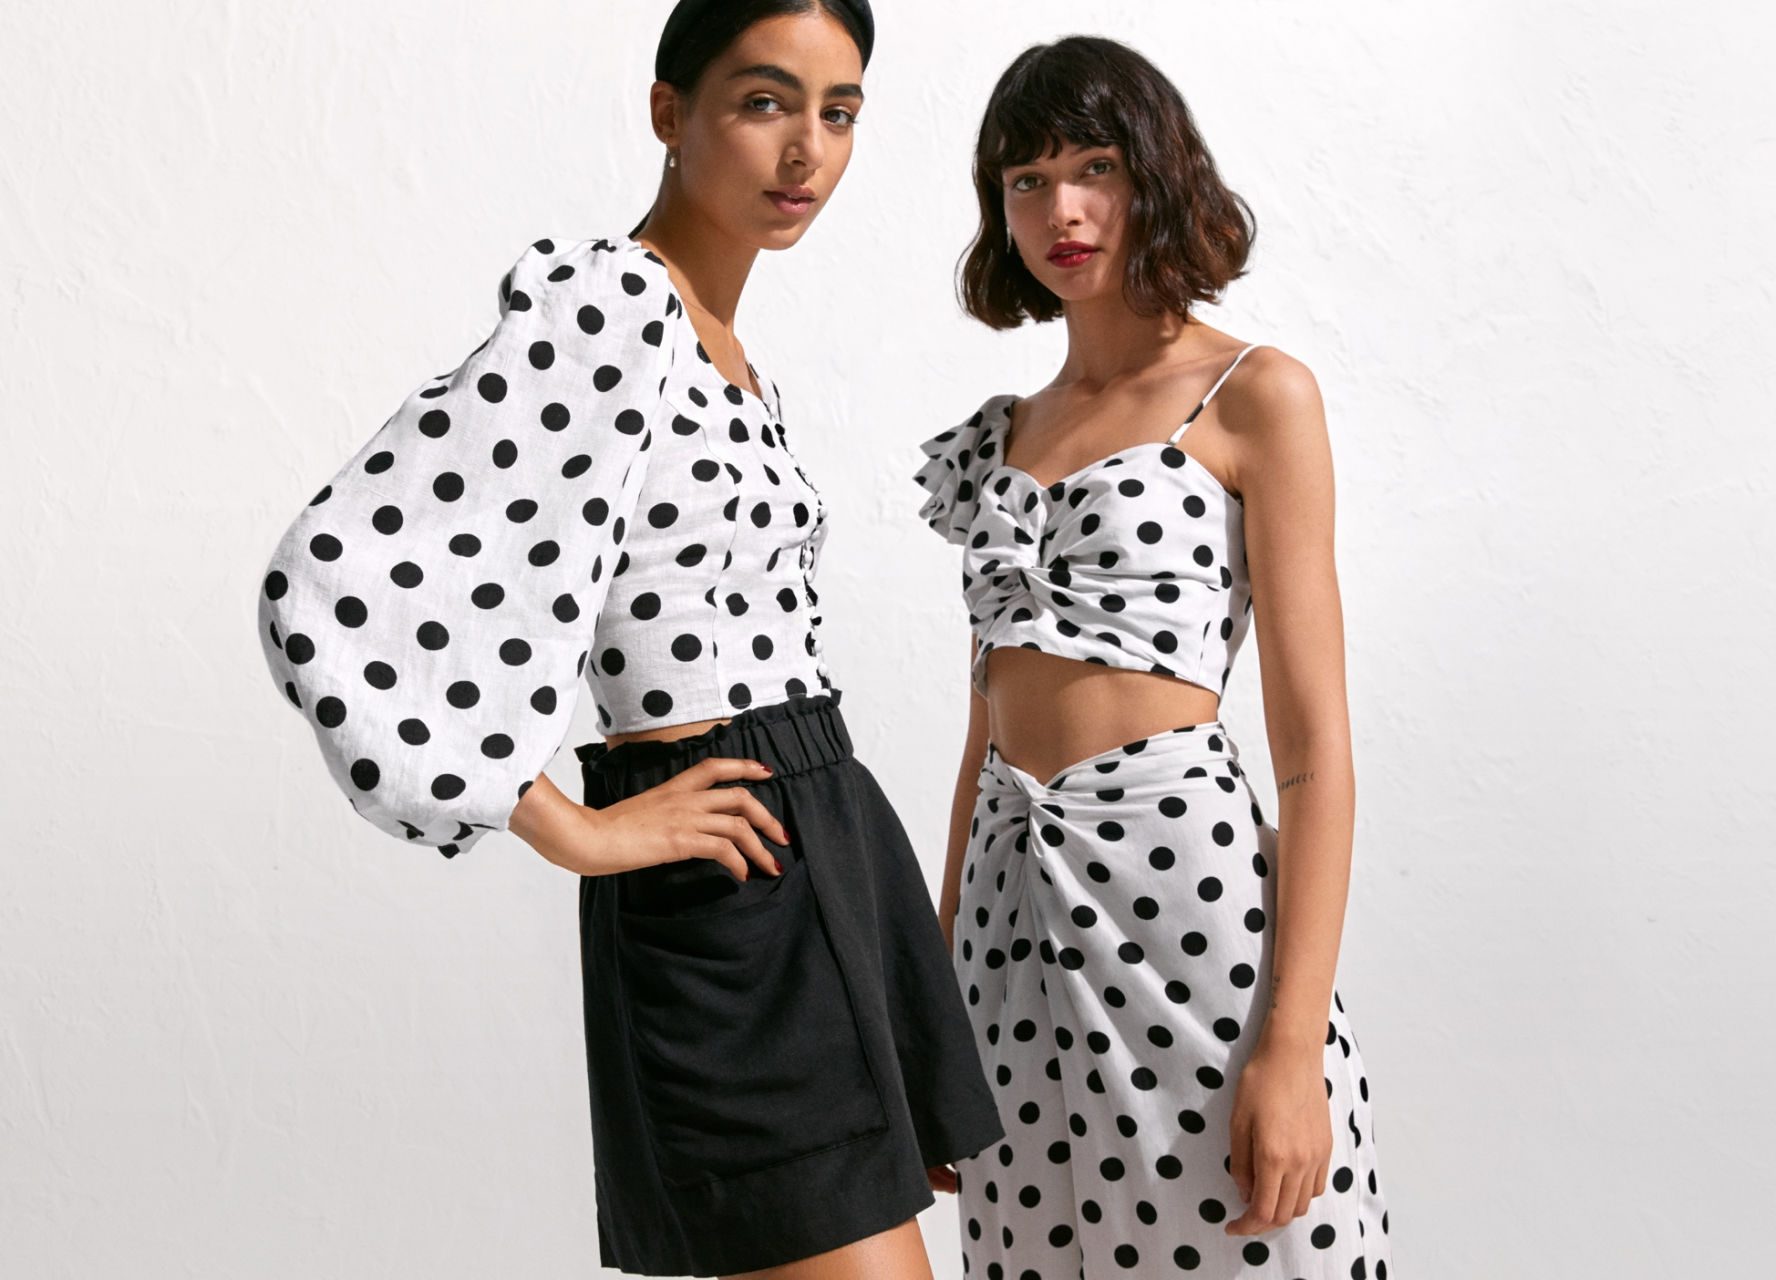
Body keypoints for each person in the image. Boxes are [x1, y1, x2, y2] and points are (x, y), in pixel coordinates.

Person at [256, 3, 1003, 1275]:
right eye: (764, 102)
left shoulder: (724, 347)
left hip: (822, 840)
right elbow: (333, 577)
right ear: (670, 112)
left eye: (838, 112)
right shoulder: (611, 308)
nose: (807, 150)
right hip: (729, 876)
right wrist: (573, 824)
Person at [911, 35, 1392, 1279]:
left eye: (1095, 168)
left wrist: (1292, 1043)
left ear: (1156, 175)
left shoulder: (1254, 393)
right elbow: (983, 733)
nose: (1060, 211)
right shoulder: (1001, 438)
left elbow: (1314, 752)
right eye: (1025, 180)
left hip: (1186, 893)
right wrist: (933, 1011)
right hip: (1006, 924)